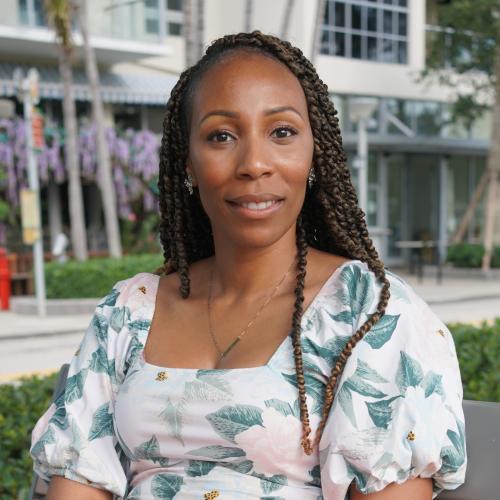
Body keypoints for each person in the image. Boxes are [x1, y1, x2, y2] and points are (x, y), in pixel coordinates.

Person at [31, 32, 466, 500]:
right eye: (221, 136)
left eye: (282, 132)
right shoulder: (129, 311)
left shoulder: (370, 313)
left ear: (314, 153)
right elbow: (77, 482)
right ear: (188, 164)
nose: (254, 164)